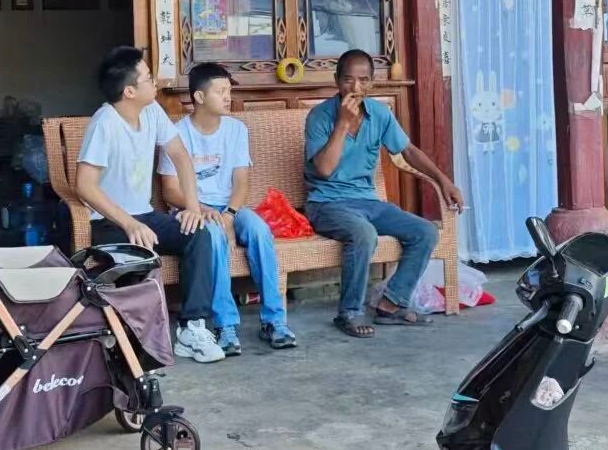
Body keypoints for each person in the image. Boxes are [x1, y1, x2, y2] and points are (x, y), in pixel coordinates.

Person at [75, 46, 225, 364]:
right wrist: (128, 222)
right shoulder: (104, 123)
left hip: (144, 216)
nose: (155, 81)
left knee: (198, 233)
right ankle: (133, 343)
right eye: (147, 77)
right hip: (109, 222)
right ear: (129, 91)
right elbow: (84, 185)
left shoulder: (152, 110)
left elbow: (180, 156)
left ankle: (192, 328)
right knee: (139, 255)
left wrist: (193, 208)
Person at [304, 49, 464, 339]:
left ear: (372, 83)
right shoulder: (319, 116)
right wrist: (342, 123)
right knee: (363, 234)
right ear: (336, 80)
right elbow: (324, 170)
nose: (355, 87)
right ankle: (349, 313)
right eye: (348, 80)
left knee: (425, 231)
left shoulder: (379, 114)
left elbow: (408, 151)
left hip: (368, 202)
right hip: (327, 204)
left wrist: (444, 181)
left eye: (363, 80)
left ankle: (391, 305)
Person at [159, 63, 299, 355]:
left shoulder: (236, 129)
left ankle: (275, 320)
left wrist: (230, 215)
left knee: (260, 230)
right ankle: (225, 325)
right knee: (213, 237)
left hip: (230, 208)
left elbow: (242, 181)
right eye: (221, 91)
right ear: (199, 97)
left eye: (229, 91)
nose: (228, 97)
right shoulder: (175, 133)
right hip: (192, 210)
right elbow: (170, 191)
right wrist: (204, 210)